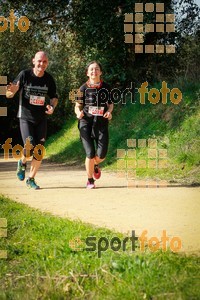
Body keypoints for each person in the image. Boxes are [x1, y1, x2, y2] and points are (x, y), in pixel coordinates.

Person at [6, 51, 58, 190]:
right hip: (25, 118)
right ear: (33, 61)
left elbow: (54, 97)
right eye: (39, 61)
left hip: (41, 119)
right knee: (29, 148)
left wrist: (52, 107)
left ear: (47, 63)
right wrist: (11, 90)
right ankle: (22, 162)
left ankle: (31, 179)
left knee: (39, 150)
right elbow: (10, 93)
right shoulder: (24, 75)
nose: (42, 64)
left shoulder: (49, 79)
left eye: (45, 62)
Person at [75, 61, 113, 189]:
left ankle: (95, 164)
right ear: (87, 73)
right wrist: (78, 113)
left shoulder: (107, 87)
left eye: (96, 69)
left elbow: (110, 104)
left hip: (101, 124)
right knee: (90, 153)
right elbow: (77, 106)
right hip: (86, 123)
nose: (94, 71)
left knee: (101, 155)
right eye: (91, 69)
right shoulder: (82, 88)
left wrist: (109, 112)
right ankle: (90, 180)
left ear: (100, 72)